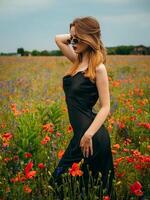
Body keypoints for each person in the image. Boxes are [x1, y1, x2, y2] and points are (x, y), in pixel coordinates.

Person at [49, 16, 115, 200]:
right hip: (79, 137)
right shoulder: (77, 62)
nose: (72, 42)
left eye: (77, 38)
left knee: (93, 189)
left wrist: (89, 134)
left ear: (89, 38)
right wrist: (74, 36)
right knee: (60, 182)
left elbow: (105, 107)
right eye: (72, 38)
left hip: (92, 138)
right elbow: (57, 39)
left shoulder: (98, 68)